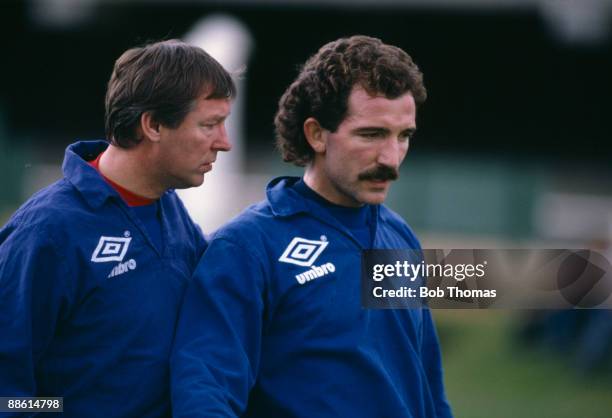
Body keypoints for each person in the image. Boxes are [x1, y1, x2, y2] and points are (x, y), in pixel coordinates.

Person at [171, 35, 453, 418]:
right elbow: (205, 391)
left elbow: (428, 389)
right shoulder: (247, 248)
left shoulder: (399, 236)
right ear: (316, 134)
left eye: (403, 136)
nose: (391, 158)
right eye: (371, 134)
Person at [0, 39, 235, 417]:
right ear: (153, 124)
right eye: (210, 125)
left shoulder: (169, 208)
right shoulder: (46, 232)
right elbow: (6, 396)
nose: (225, 143)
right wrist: (65, 411)